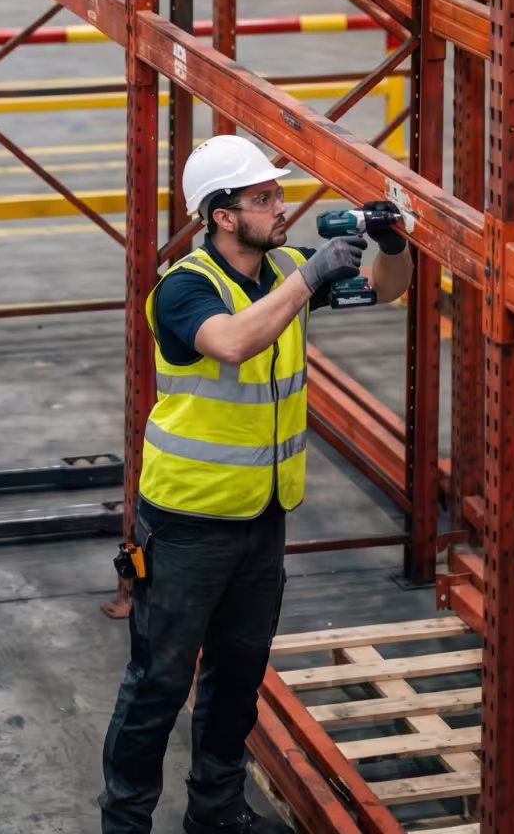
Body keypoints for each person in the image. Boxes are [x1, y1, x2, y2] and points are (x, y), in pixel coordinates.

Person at [100, 135, 414, 834]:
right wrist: (309, 279)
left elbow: (390, 293)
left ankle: (215, 813)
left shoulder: (286, 265)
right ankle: (124, 823)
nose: (281, 207)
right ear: (220, 214)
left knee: (238, 682)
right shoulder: (185, 287)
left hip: (262, 517)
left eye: (278, 193)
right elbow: (233, 341)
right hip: (185, 522)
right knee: (159, 685)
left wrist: (390, 245)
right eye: (264, 197)